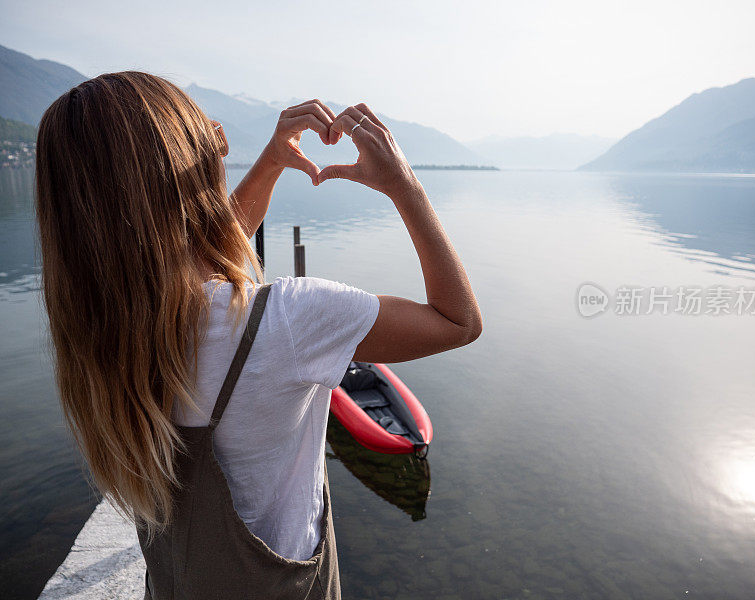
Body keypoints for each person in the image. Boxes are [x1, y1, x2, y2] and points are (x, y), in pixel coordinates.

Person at [35, 71, 481, 599]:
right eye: (209, 136)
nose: (222, 137)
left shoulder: (107, 325)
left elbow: (190, 258)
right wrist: (404, 183)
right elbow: (458, 321)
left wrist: (269, 161)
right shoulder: (292, 319)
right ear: (190, 169)